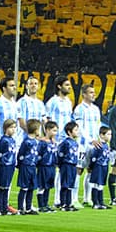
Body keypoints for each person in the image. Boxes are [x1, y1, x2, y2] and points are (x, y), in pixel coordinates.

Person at [0, 76, 21, 214]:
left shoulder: (15, 103)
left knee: (7, 176)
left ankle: (5, 204)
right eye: (11, 85)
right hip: (0, 141)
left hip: (11, 142)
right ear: (4, 88)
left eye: (14, 85)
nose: (14, 88)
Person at [44, 75, 73, 206]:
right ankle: (56, 199)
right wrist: (50, 137)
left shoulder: (69, 102)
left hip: (66, 140)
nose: (69, 87)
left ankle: (63, 199)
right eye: (67, 85)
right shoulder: (52, 102)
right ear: (59, 86)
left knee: (64, 169)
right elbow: (47, 120)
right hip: (56, 140)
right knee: (55, 169)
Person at [73, 83, 102, 206]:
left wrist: (99, 139)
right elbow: (79, 128)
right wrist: (90, 139)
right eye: (90, 92)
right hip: (83, 145)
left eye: (94, 92)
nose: (93, 94)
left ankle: (87, 198)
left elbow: (98, 126)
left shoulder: (95, 109)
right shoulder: (79, 109)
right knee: (78, 170)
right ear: (84, 94)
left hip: (94, 144)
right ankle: (74, 199)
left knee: (91, 170)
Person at [17, 119, 41, 215]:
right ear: (35, 130)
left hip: (32, 166)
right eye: (39, 128)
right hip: (26, 166)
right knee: (24, 187)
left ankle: (28, 207)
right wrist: (21, 164)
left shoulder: (35, 141)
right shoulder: (26, 141)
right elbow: (21, 154)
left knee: (31, 187)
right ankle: (20, 208)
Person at [0, 119, 18, 215]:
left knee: (7, 186)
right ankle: (0, 208)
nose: (13, 130)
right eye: (11, 127)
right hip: (4, 165)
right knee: (2, 187)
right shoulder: (3, 140)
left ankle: (5, 206)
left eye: (15, 128)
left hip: (11, 165)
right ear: (5, 128)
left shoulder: (12, 140)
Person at [88, 126, 114, 209]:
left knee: (101, 184)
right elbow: (93, 157)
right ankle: (95, 202)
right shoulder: (98, 146)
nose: (110, 136)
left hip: (104, 167)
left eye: (110, 134)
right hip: (98, 167)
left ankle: (101, 202)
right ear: (101, 135)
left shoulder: (106, 145)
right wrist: (91, 167)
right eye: (108, 134)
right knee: (96, 184)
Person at [57, 121, 81, 212]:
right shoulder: (65, 143)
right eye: (75, 130)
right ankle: (63, 203)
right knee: (65, 184)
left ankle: (69, 203)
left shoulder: (75, 143)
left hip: (73, 165)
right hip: (66, 165)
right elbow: (60, 154)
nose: (77, 132)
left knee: (71, 184)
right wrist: (60, 165)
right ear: (69, 132)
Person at [36, 120, 59, 212]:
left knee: (48, 186)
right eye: (53, 130)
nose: (55, 133)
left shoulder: (53, 142)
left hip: (51, 166)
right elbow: (39, 154)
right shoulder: (42, 142)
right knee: (42, 186)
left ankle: (46, 204)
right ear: (47, 130)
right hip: (44, 166)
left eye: (56, 131)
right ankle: (41, 205)